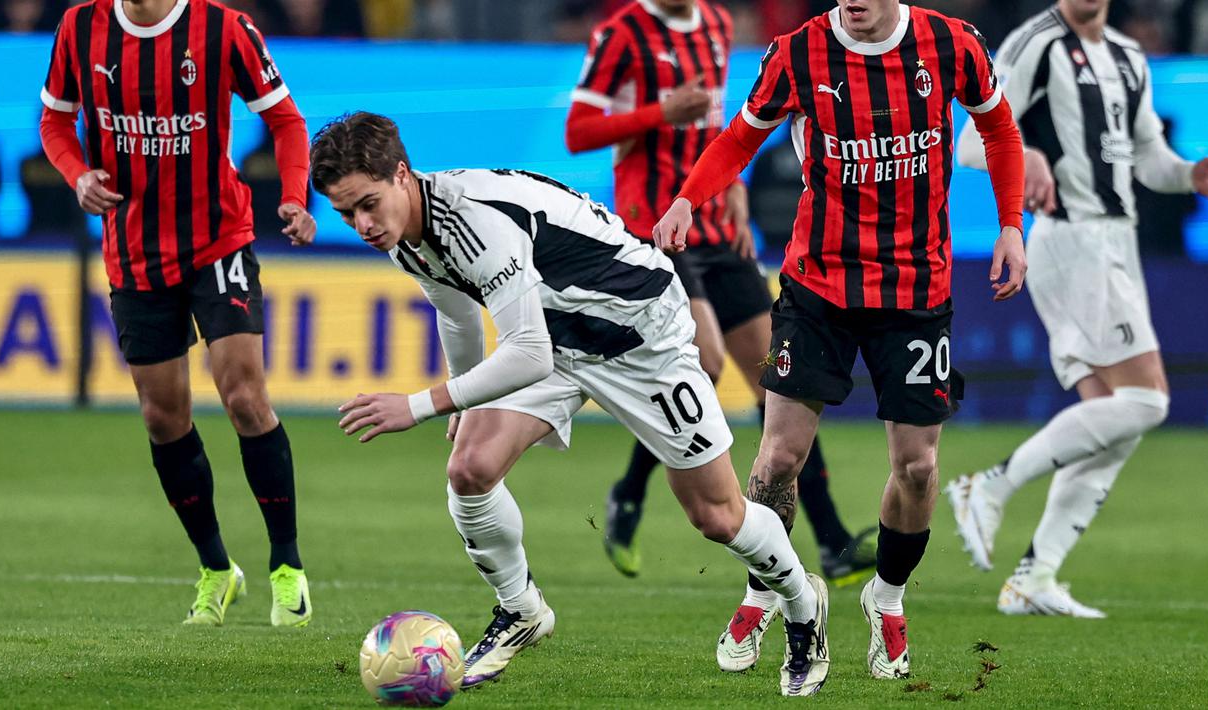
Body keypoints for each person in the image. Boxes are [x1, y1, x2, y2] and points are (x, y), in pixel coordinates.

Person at [312, 112, 830, 696]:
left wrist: (422, 404)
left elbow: (525, 354)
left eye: (367, 204)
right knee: (469, 467)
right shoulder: (406, 234)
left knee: (717, 516)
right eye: (345, 213)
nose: (361, 224)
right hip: (558, 339)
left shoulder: (473, 220)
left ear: (402, 174)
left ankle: (802, 601)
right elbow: (455, 310)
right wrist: (460, 393)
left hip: (640, 333)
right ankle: (522, 610)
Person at [650, 0, 1026, 679]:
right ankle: (763, 590)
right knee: (776, 459)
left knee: (916, 467)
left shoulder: (950, 45)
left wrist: (1010, 225)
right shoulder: (797, 53)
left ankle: (886, 597)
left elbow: (998, 129)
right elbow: (741, 136)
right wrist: (687, 197)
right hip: (815, 288)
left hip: (915, 292)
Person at [564, 0, 878, 626]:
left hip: (715, 226)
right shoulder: (622, 34)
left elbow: (721, 124)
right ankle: (628, 497)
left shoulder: (716, 24)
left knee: (781, 382)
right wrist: (658, 114)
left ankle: (833, 542)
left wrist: (731, 184)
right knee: (701, 365)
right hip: (656, 231)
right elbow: (579, 132)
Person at [39, 0, 318, 627]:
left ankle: (287, 564)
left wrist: (297, 198)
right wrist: (77, 174)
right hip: (134, 253)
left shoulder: (224, 29)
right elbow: (55, 123)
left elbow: (287, 122)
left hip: (218, 238)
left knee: (244, 397)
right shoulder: (80, 28)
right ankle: (217, 570)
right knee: (163, 417)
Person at [948, 0, 1208, 618]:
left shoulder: (1127, 56)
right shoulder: (1036, 42)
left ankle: (1034, 577)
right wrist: (1027, 154)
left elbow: (1146, 156)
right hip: (1072, 239)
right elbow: (970, 142)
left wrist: (1190, 175)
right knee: (1148, 402)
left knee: (1112, 422)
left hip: (1115, 239)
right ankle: (991, 485)